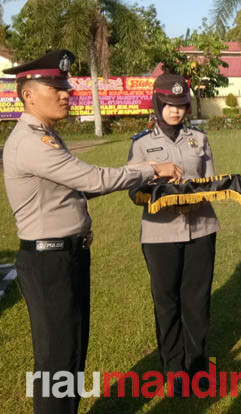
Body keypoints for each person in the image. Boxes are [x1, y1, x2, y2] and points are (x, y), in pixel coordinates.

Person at [2, 50, 181, 414]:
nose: (66, 93)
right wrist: (150, 169)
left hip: (64, 257)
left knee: (70, 357)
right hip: (49, 261)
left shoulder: (46, 136)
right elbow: (92, 179)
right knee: (57, 361)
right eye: (55, 87)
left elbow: (78, 188)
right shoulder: (32, 142)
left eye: (65, 86)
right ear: (28, 95)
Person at [127, 73, 219, 397]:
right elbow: (132, 189)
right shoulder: (141, 144)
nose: (175, 111)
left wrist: (201, 195)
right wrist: (160, 195)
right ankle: (174, 368)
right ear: (157, 103)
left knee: (197, 301)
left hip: (202, 228)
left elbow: (210, 181)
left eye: (180, 105)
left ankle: (197, 366)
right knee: (166, 302)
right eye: (168, 104)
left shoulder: (200, 139)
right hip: (159, 233)